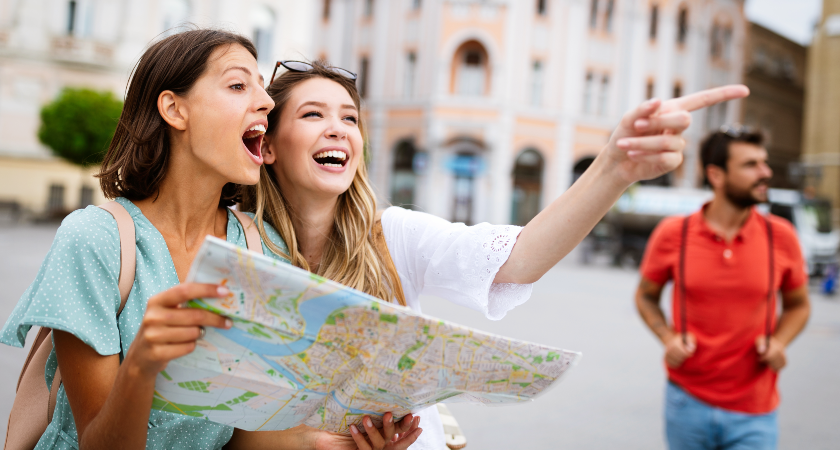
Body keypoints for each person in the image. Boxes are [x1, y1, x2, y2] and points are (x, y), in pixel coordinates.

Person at [241, 60, 750, 450]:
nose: (338, 128)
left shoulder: (393, 235)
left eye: (350, 117)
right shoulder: (238, 244)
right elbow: (224, 417)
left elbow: (521, 258)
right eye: (313, 114)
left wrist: (614, 167)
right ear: (267, 147)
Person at [0, 31, 418, 450]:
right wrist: (141, 367)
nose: (267, 102)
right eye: (238, 85)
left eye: (261, 87)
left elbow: (239, 435)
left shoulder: (263, 248)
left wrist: (339, 444)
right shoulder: (96, 239)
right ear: (174, 109)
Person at [635, 126, 811, 450]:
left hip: (755, 410)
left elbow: (799, 304)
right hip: (686, 401)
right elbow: (646, 296)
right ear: (716, 175)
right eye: (751, 165)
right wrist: (667, 337)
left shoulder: (781, 236)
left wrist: (780, 342)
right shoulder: (673, 233)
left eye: (764, 163)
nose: (765, 172)